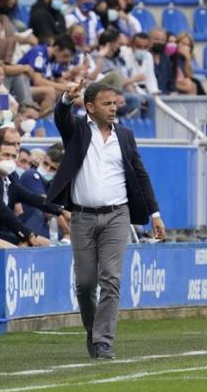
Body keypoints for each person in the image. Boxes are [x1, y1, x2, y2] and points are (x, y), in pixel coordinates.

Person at [47, 81, 165, 359]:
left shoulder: (125, 135)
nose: (113, 108)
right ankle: (93, 330)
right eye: (107, 103)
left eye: (115, 103)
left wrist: (155, 214)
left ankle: (103, 341)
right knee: (85, 283)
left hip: (117, 215)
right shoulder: (76, 130)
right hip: (82, 217)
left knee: (111, 279)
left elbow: (140, 173)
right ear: (90, 107)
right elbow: (61, 117)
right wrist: (66, 98)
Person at [0, 141, 51, 246]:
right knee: (25, 246)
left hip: (4, 230)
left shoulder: (11, 176)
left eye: (13, 156)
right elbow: (1, 210)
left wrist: (60, 209)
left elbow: (31, 197)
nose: (10, 159)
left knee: (47, 243)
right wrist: (27, 234)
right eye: (6, 155)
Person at [149, 27, 175, 95]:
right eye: (156, 39)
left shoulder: (166, 59)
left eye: (162, 40)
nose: (160, 42)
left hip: (166, 94)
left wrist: (173, 92)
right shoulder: (145, 57)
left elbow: (171, 80)